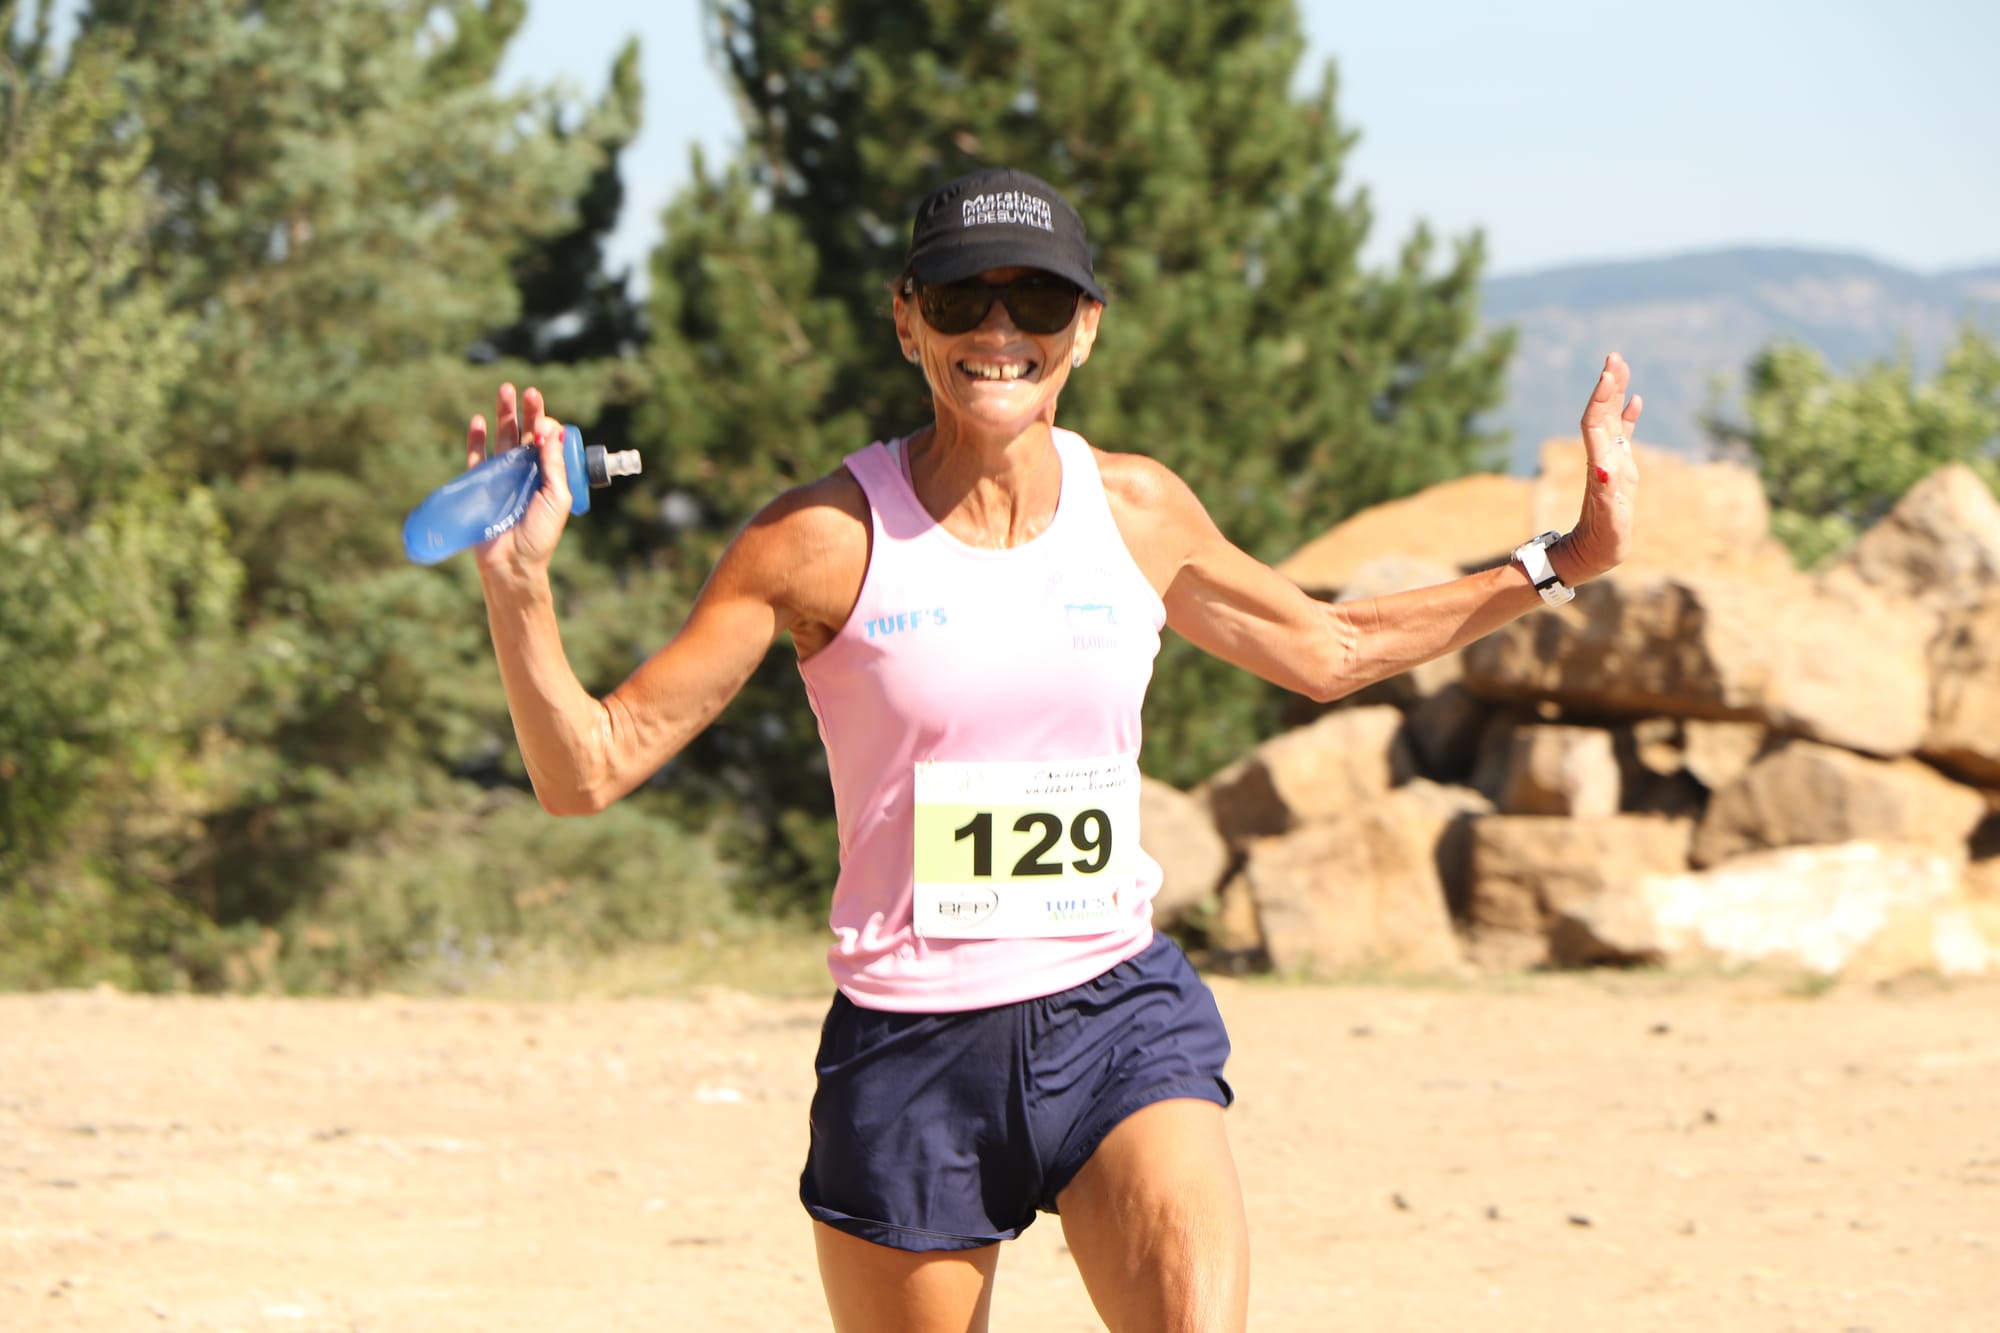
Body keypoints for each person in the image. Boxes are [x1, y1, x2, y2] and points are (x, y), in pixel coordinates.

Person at [463, 165, 1641, 1333]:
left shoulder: (1134, 511)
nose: (997, 332)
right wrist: (519, 589)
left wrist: (1558, 561)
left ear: (1084, 328)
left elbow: (1330, 647)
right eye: (964, 297)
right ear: (907, 318)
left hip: (1112, 1011)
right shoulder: (817, 539)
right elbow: (590, 767)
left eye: (1035, 303)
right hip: (910, 1041)